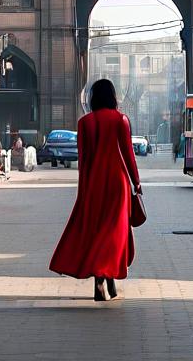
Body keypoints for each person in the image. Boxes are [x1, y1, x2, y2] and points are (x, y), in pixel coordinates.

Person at [50, 79, 142, 302]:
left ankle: (106, 282)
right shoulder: (121, 120)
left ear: (92, 98)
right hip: (117, 184)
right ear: (112, 97)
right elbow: (128, 155)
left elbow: (83, 160)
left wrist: (83, 191)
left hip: (93, 184)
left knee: (96, 230)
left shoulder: (84, 123)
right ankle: (103, 276)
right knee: (113, 233)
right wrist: (136, 182)